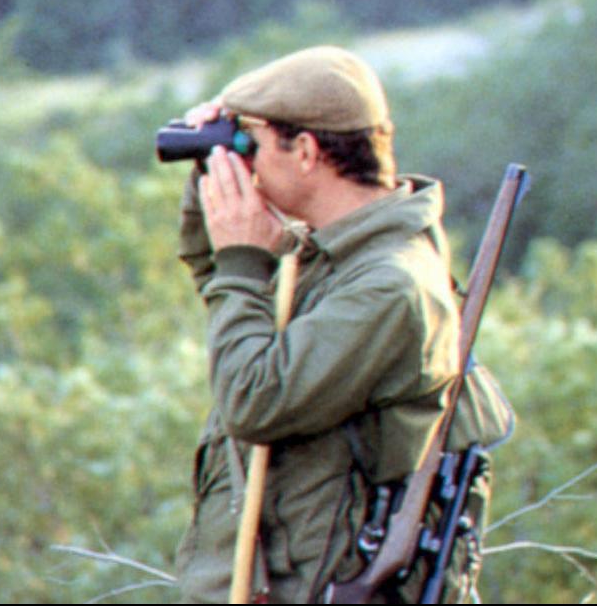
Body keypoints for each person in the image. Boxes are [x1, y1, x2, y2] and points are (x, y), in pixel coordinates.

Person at [173, 46, 514, 603]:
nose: (249, 162)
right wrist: (213, 172)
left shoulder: (388, 286)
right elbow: (224, 280)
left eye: (252, 147)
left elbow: (254, 400)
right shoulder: (337, 256)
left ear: (305, 150)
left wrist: (242, 259)